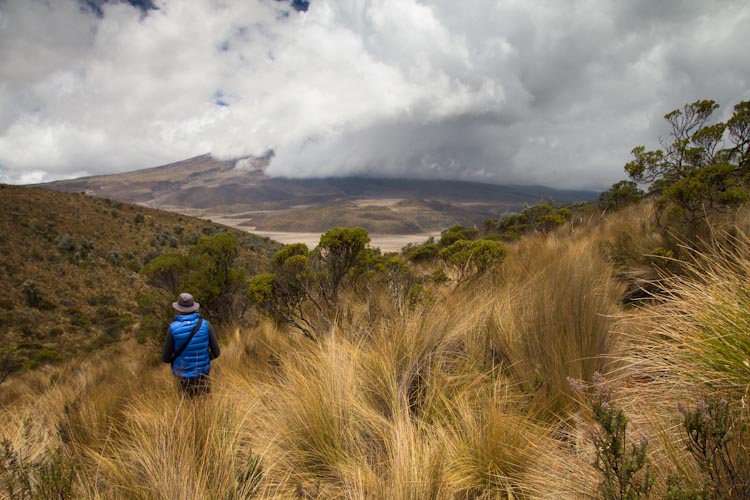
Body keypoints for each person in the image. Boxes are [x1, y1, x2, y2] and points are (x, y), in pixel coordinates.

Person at [162, 292, 220, 397]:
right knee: (206, 406)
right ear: (194, 307)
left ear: (179, 309)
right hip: (203, 374)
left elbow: (166, 358)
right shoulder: (206, 325)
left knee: (186, 407)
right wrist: (204, 359)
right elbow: (216, 352)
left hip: (182, 375)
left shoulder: (173, 328)